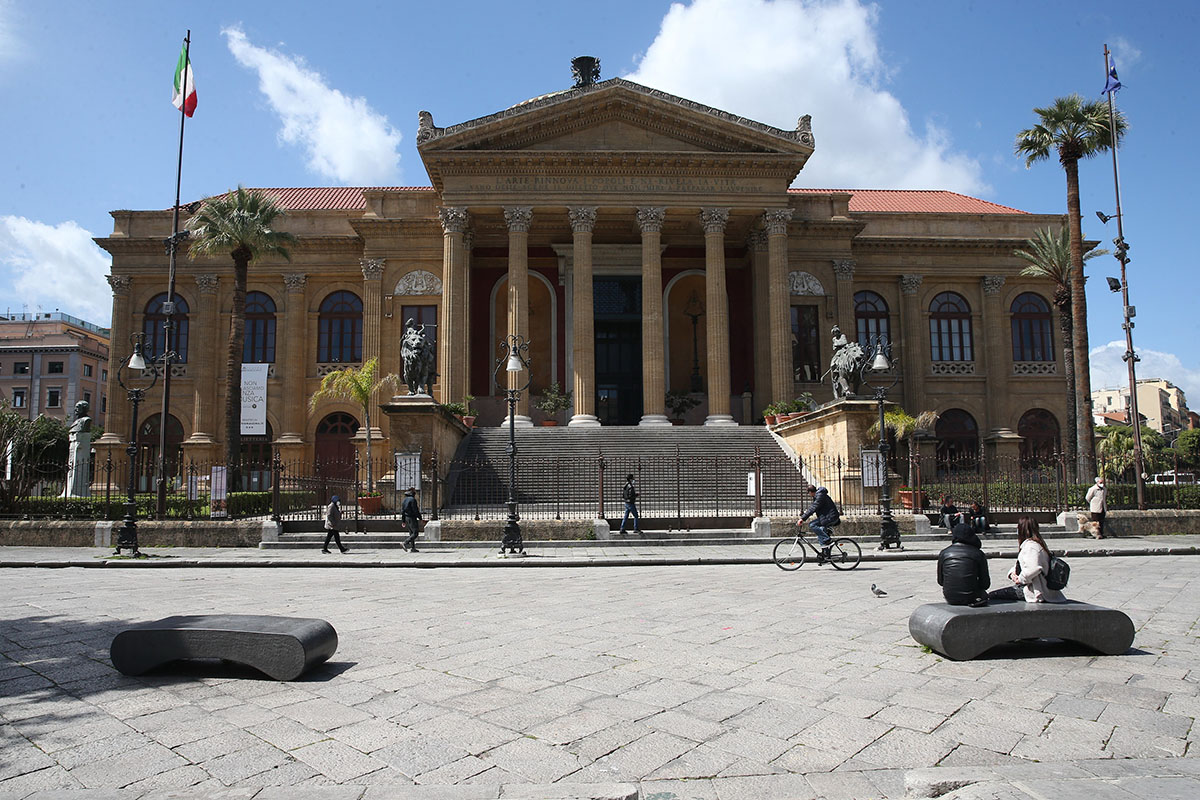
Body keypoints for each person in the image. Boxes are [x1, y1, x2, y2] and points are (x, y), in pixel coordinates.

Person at [988, 515, 1066, 603]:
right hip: (1038, 588)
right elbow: (1021, 564)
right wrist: (1012, 573)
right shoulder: (1035, 544)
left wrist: (1020, 579)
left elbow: (1033, 568)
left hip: (1037, 590)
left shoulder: (1031, 547)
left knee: (993, 596)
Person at [937, 523, 990, 606]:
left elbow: (940, 581)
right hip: (972, 596)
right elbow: (985, 583)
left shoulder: (944, 553)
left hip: (950, 597)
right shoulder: (978, 554)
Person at [798, 484, 840, 562]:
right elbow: (813, 507)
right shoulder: (818, 495)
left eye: (808, 493)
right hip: (827, 517)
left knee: (812, 525)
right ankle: (825, 555)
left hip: (830, 517)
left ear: (811, 492)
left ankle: (827, 539)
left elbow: (814, 508)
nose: (809, 495)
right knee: (821, 531)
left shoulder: (820, 496)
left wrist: (802, 518)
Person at [401, 487, 422, 552]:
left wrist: (403, 520)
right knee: (415, 533)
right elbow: (415, 510)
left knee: (411, 533)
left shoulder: (404, 500)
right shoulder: (412, 500)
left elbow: (402, 511)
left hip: (407, 518)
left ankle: (413, 548)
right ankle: (405, 542)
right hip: (412, 518)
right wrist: (420, 518)